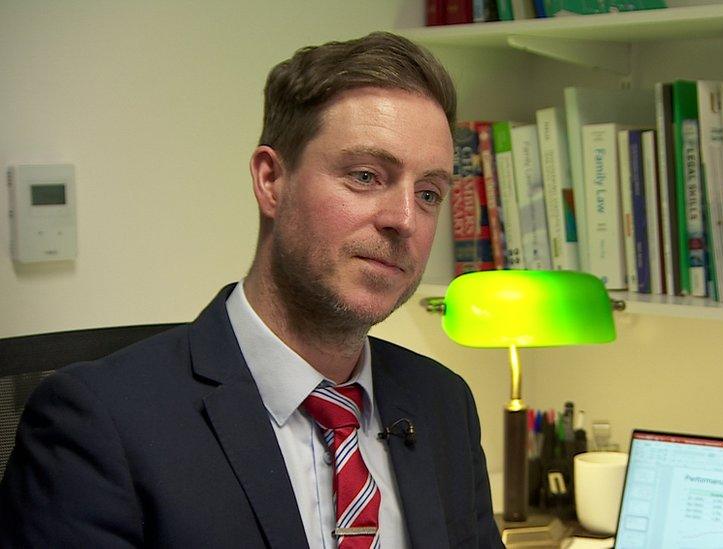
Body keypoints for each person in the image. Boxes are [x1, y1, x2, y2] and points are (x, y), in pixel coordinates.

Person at [0, 32, 504, 548]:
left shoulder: (443, 403)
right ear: (270, 181)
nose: (403, 219)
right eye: (366, 175)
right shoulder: (100, 422)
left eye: (428, 193)